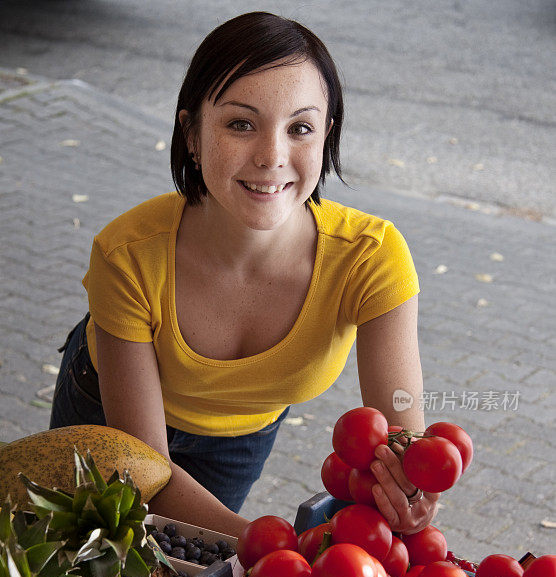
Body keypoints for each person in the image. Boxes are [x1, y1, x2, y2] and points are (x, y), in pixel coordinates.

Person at [49, 11, 438, 537]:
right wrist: (270, 547)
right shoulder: (127, 254)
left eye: (299, 128)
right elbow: (142, 473)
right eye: (240, 124)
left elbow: (402, 433)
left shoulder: (372, 258)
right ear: (191, 133)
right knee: (85, 555)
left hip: (240, 438)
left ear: (327, 133)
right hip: (102, 405)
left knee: (183, 576)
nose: (272, 157)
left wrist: (411, 486)